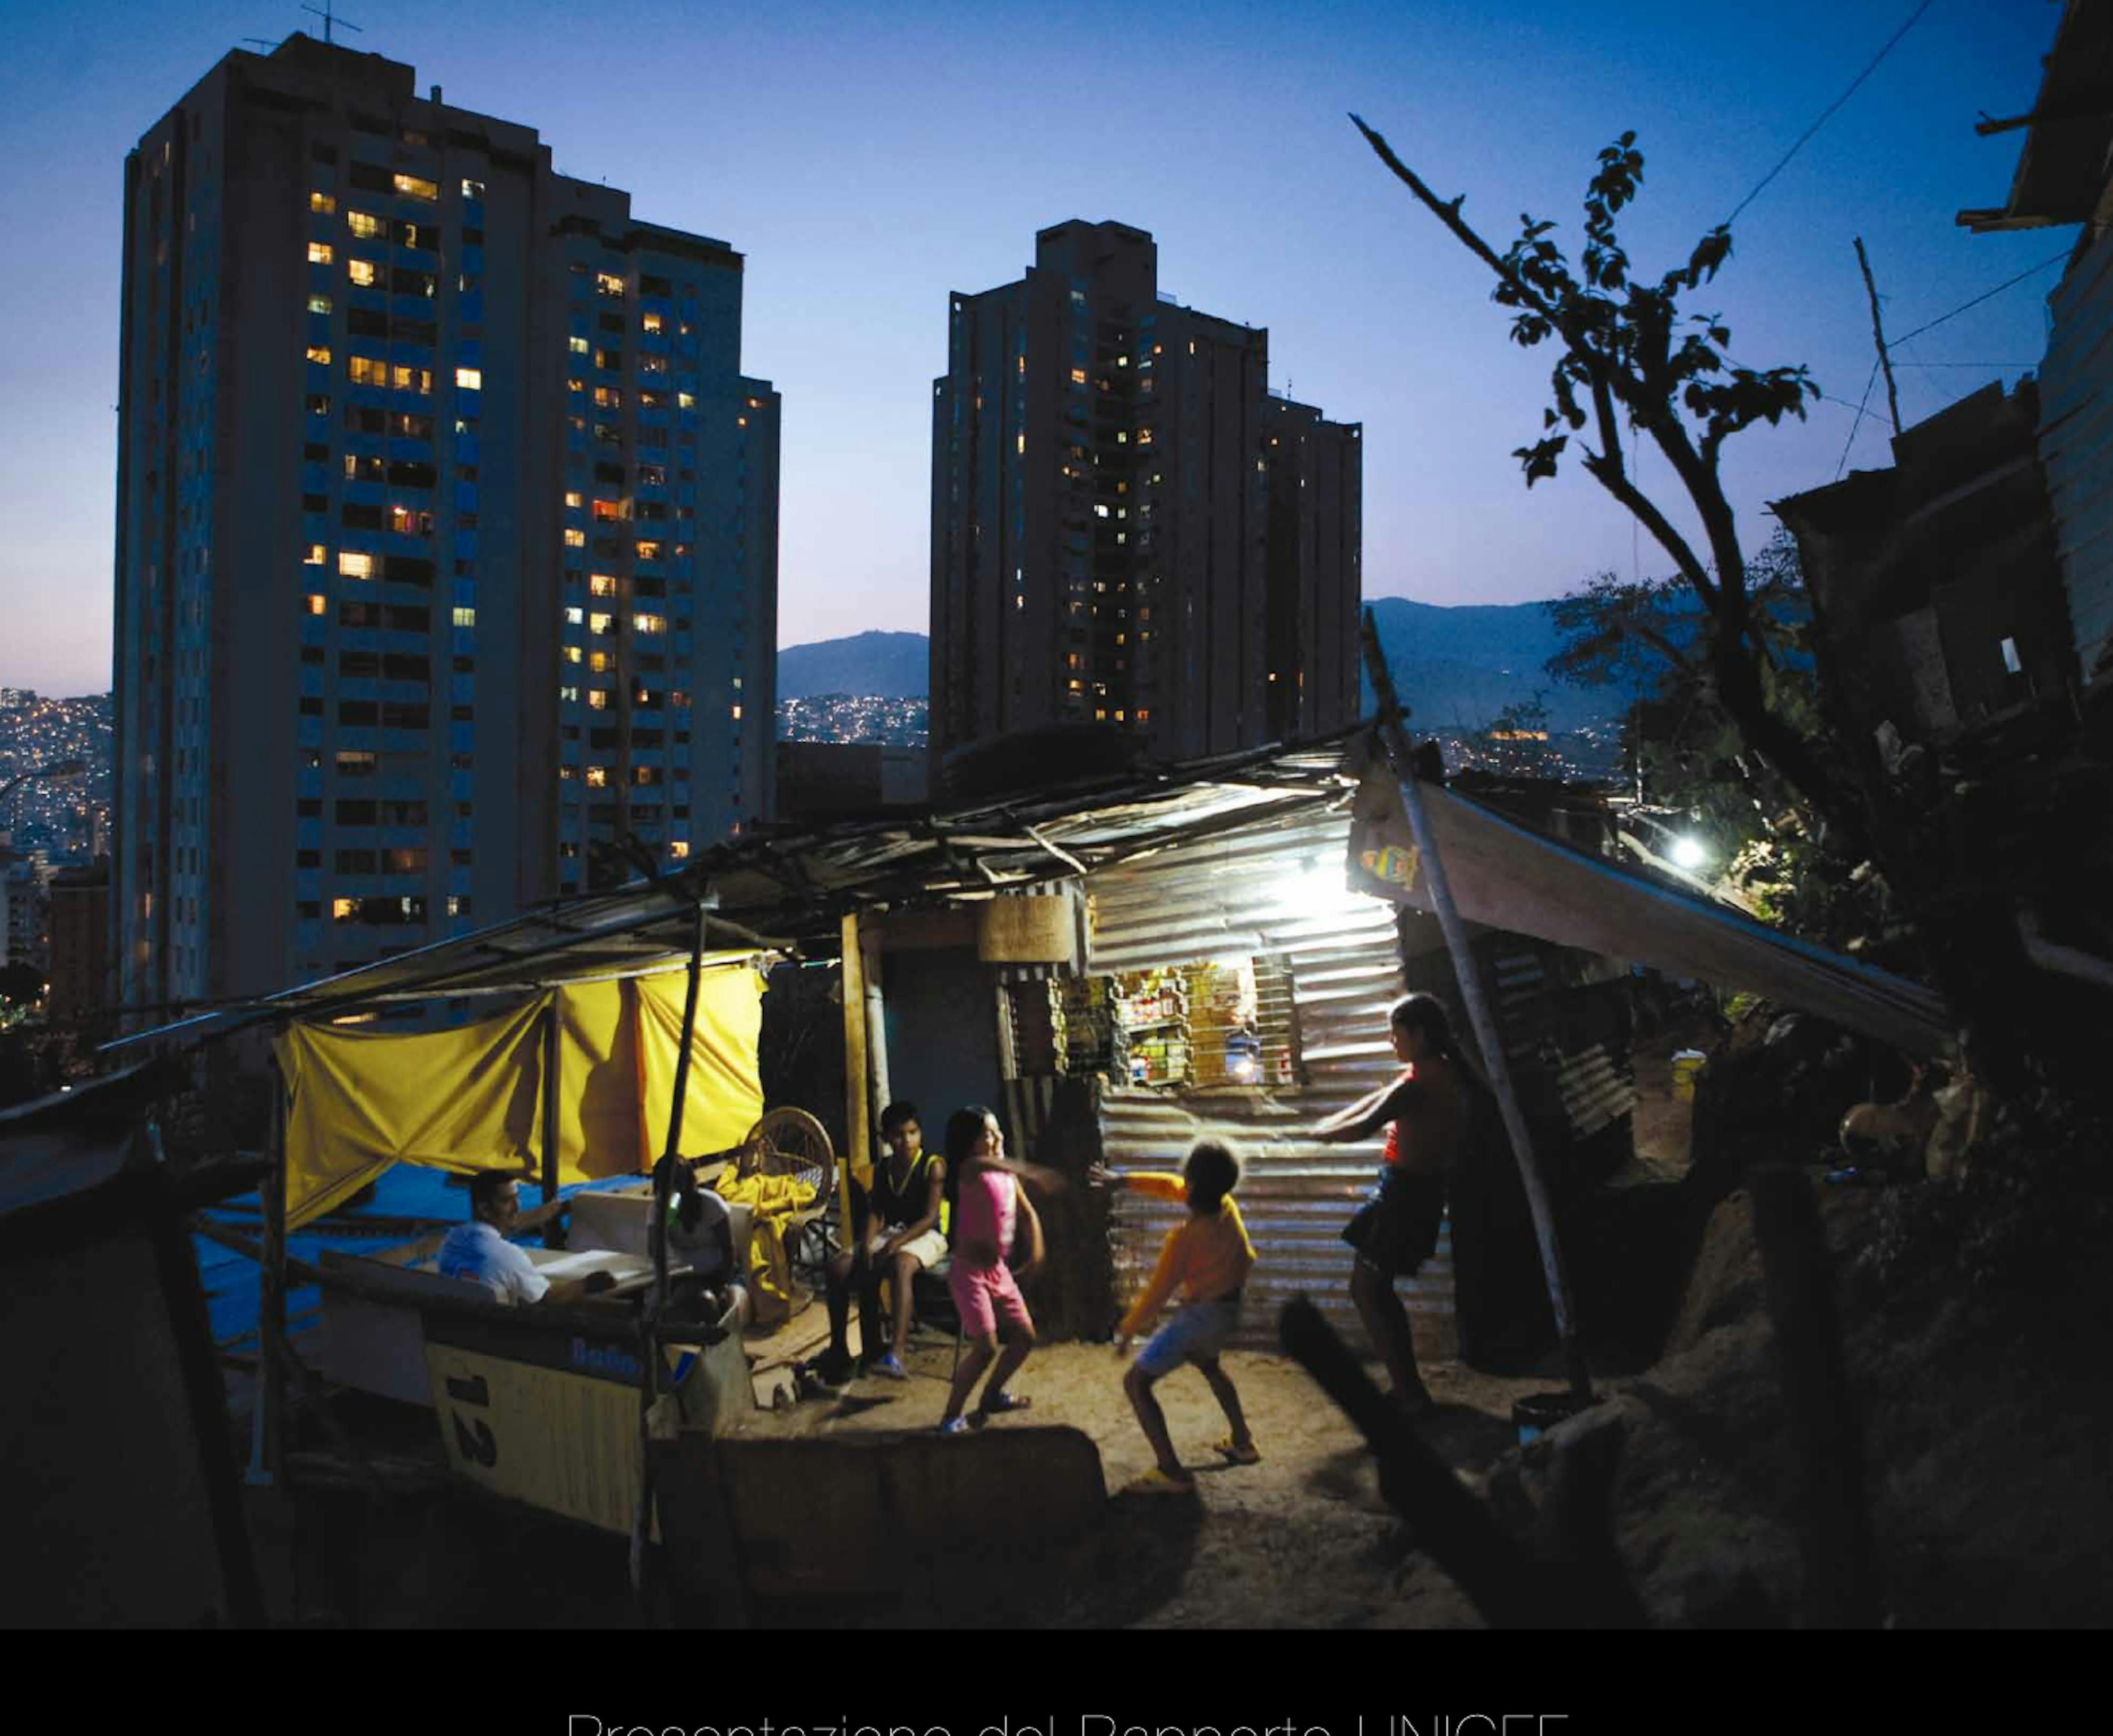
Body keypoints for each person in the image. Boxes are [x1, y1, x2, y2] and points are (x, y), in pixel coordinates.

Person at [1308, 993, 1478, 1419]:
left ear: (1418, 1034)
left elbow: (1365, 1124)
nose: (1391, 1042)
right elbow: (1373, 1102)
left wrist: (1320, 1136)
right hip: (1408, 1189)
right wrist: (1324, 1124)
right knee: (1372, 1288)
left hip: (1406, 1193)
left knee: (1368, 1289)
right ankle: (1408, 1390)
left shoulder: (1422, 1084)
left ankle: (1410, 1393)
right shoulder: (1435, 1070)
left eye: (1395, 1034)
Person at [1094, 1139, 1259, 1495]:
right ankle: (1243, 1443)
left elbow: (1156, 1294)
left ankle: (1171, 1470)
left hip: (1201, 1317)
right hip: (1229, 1310)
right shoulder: (1227, 1208)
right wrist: (1124, 1182)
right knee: (1210, 1366)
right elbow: (1172, 1188)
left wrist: (1127, 1331)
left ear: (1193, 1185)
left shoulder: (1184, 1239)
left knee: (1136, 1384)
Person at [819, 1100, 948, 1383]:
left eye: (913, 1133)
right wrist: (867, 1243)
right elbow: (877, 1211)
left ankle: (896, 1355)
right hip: (894, 1232)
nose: (907, 1140)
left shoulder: (932, 1166)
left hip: (927, 1236)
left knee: (901, 1265)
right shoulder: (884, 1169)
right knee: (838, 1267)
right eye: (900, 1135)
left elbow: (930, 1217)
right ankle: (842, 1349)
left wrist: (895, 1243)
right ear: (887, 1138)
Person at [935, 1105, 1044, 1435]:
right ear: (970, 1143)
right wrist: (1030, 1170)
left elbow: (1027, 1216)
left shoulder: (1006, 1176)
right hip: (969, 1274)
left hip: (999, 1272)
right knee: (985, 1347)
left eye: (998, 1130)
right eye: (988, 1133)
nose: (998, 1137)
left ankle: (992, 1394)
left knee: (1025, 1338)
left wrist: (1036, 1252)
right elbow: (983, 1162)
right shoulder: (971, 1171)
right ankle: (950, 1417)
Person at [438, 1172, 615, 1305]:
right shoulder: (507, 1256)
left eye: (517, 1198)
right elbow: (548, 1297)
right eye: (508, 1201)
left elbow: (511, 1224)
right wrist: (589, 1284)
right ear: (484, 1209)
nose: (518, 1206)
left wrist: (553, 1210)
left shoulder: (452, 1241)